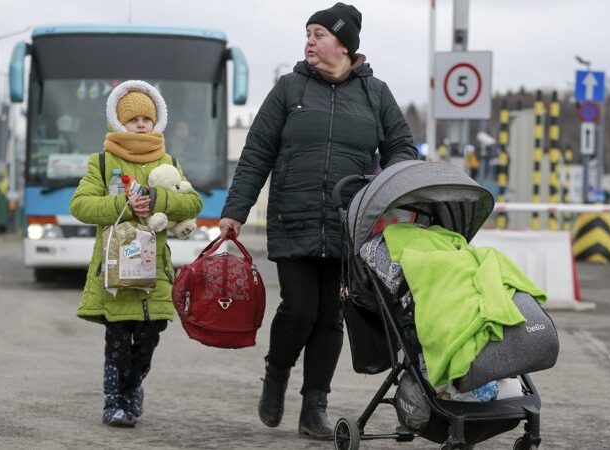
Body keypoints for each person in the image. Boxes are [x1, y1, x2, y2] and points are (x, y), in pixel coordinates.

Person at [218, 3, 417, 440]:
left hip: (349, 225)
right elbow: (257, 153)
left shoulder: (375, 94)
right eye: (307, 33)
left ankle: (314, 408)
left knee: (331, 317)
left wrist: (385, 191)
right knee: (299, 308)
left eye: (318, 34)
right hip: (294, 215)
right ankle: (276, 375)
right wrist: (235, 211)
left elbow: (402, 147)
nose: (309, 41)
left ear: (343, 44)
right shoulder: (289, 90)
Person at [70, 80, 202, 427]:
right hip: (114, 272)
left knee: (147, 339)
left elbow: (193, 202)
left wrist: (159, 200)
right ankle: (115, 402)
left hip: (154, 272)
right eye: (133, 119)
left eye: (147, 118)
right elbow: (80, 206)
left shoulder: (168, 160)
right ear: (118, 121)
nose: (141, 124)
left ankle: (132, 388)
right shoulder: (101, 162)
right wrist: (124, 205)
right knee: (117, 340)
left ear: (157, 121)